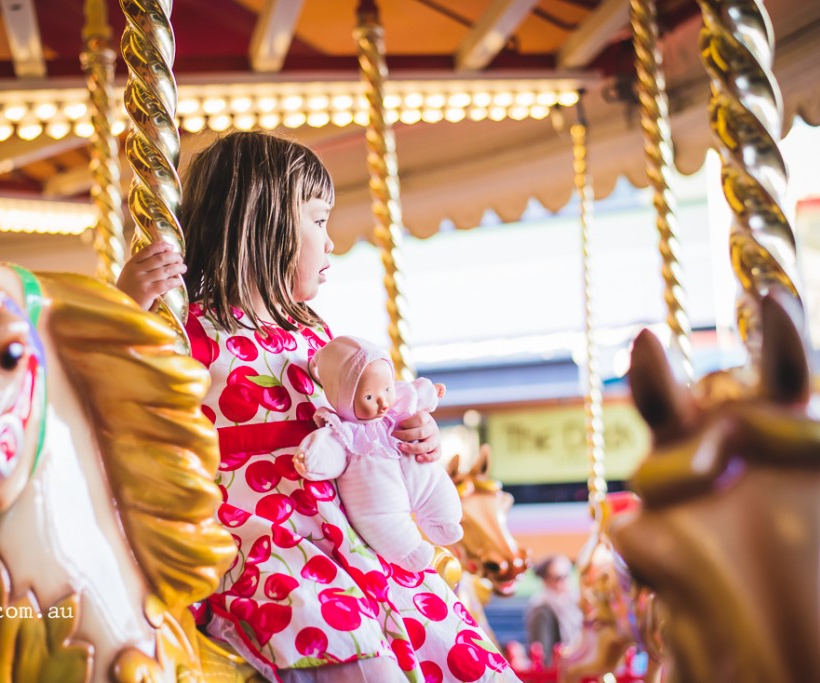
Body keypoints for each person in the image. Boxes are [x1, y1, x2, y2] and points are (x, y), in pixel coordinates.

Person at [118, 131, 520, 683]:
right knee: (355, 652)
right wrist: (125, 311)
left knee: (454, 644)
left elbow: (367, 422)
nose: (331, 241)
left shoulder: (318, 340)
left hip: (347, 530)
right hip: (259, 535)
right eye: (318, 220)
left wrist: (411, 434)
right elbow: (118, 406)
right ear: (265, 223)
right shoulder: (187, 331)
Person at [294, 335, 463, 571]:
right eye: (369, 397)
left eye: (387, 389)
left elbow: (415, 393)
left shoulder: (397, 407)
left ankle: (444, 520)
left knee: (435, 483)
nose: (384, 402)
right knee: (383, 518)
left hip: (414, 464)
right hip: (377, 493)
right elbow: (330, 449)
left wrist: (432, 392)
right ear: (344, 398)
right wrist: (312, 460)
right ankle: (409, 550)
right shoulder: (346, 432)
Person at [525, 554, 582, 660]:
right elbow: (542, 652)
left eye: (568, 575)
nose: (565, 582)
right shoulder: (541, 609)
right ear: (546, 580)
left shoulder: (572, 602)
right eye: (559, 578)